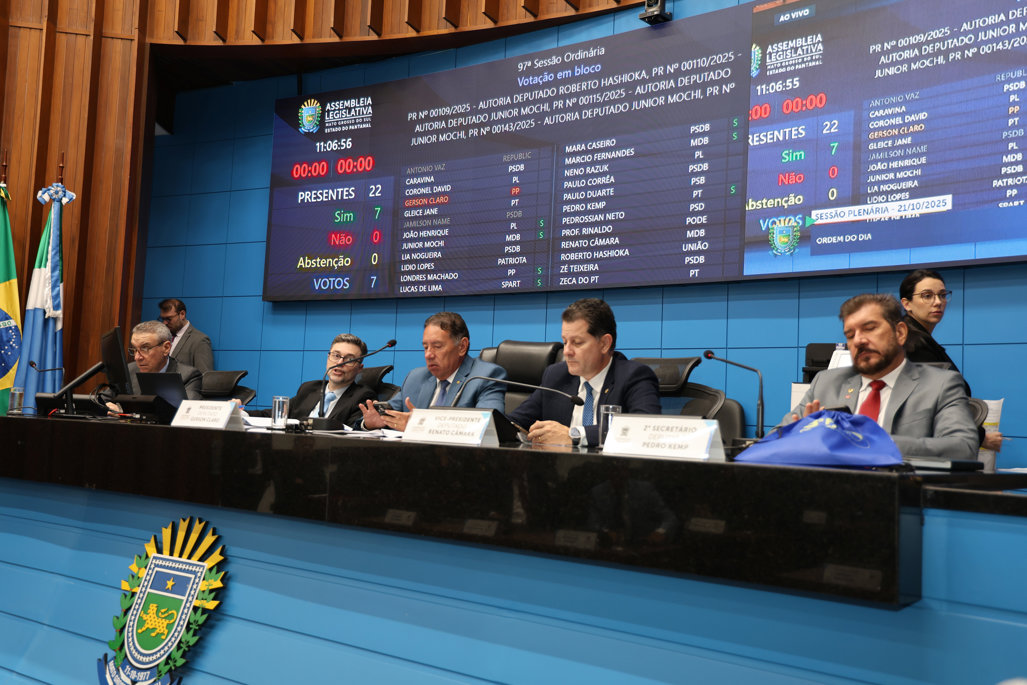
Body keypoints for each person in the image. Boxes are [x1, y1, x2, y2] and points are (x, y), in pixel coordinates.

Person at [787, 293, 978, 460]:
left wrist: (872, 442)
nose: (858, 340)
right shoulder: (826, 383)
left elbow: (963, 448)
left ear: (900, 333)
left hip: (899, 488)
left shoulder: (940, 384)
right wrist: (802, 437)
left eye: (870, 328)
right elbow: (777, 436)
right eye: (850, 335)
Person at [508, 298, 661, 446]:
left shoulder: (633, 376)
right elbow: (514, 422)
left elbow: (645, 428)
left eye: (577, 343)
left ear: (604, 344)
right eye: (565, 342)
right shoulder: (555, 376)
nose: (566, 351)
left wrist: (574, 434)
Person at [899, 269, 1003, 452]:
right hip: (923, 450)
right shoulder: (913, 343)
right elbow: (932, 404)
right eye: (927, 296)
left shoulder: (918, 338)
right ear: (907, 304)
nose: (938, 302)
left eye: (942, 295)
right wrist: (980, 437)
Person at [357, 312, 506, 431]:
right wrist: (372, 423)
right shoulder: (416, 378)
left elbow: (489, 427)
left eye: (437, 346)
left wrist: (420, 426)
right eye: (425, 347)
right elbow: (390, 413)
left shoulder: (485, 376)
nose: (428, 354)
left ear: (462, 347)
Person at [248, 334, 375, 428]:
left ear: (360, 368)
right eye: (336, 356)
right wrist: (241, 412)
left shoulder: (363, 397)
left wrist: (367, 426)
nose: (340, 363)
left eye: (350, 359)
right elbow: (276, 414)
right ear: (328, 357)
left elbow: (355, 429)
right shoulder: (309, 388)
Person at [121, 321, 203, 400]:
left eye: (145, 348)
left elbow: (186, 408)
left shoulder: (188, 376)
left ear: (166, 348)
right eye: (135, 349)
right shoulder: (129, 370)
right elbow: (114, 399)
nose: (137, 357)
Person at [158, 298, 214, 373]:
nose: (164, 323)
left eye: (169, 319)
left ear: (182, 314)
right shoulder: (161, 337)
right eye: (162, 319)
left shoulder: (199, 340)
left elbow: (204, 375)